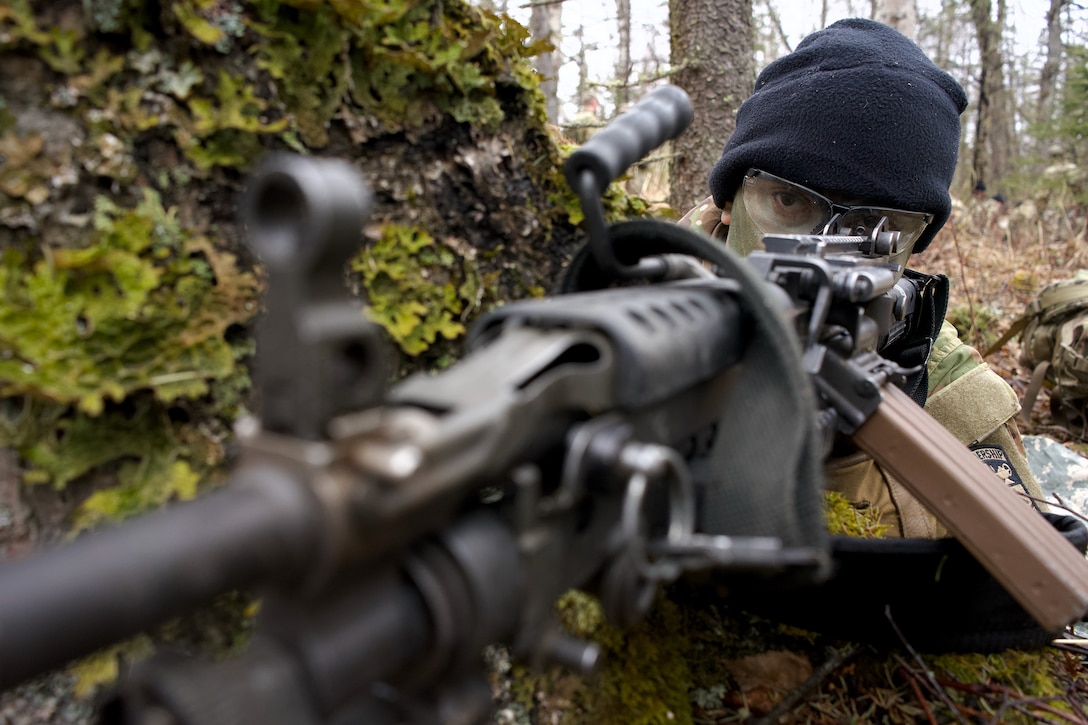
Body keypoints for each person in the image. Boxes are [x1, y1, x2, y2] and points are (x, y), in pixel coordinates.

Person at [679, 18, 1045, 538]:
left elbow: (1021, 594)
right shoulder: (623, 303)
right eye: (789, 200)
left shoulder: (945, 396)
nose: (822, 249)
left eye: (875, 230)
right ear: (729, 200)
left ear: (911, 242)